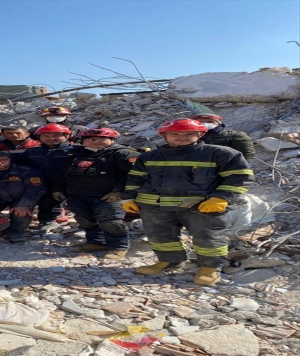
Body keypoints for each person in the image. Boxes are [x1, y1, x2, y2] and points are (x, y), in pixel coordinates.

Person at [122, 119, 254, 285]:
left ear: (200, 134)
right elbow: (135, 178)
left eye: (189, 134)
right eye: (174, 134)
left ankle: (209, 267)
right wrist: (129, 197)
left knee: (208, 237)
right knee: (159, 235)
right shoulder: (150, 156)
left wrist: (221, 197)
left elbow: (240, 177)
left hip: (201, 206)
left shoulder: (221, 153)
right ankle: (170, 261)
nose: (181, 137)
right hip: (155, 206)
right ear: (164, 135)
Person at [54, 128, 140, 259]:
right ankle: (96, 242)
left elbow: (132, 176)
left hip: (107, 196)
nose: (96, 142)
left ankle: (118, 247)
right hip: (77, 194)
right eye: (91, 139)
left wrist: (118, 192)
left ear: (112, 140)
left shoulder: (123, 154)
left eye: (102, 139)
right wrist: (57, 189)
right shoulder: (72, 154)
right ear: (82, 141)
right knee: (85, 220)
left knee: (111, 222)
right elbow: (61, 174)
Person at [0, 151, 46, 243]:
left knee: (21, 212)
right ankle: (0, 229)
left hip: (19, 199)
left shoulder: (26, 171)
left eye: (4, 160)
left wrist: (24, 204)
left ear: (10, 159)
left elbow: (35, 189)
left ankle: (17, 232)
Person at [16, 123, 73, 233]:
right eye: (46, 135)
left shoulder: (76, 151)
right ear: (39, 137)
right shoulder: (31, 152)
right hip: (42, 184)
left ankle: (87, 226)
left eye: (56, 135)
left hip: (70, 184)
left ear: (66, 136)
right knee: (46, 203)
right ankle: (47, 221)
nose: (51, 138)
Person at [190, 113, 256, 161]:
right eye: (200, 122)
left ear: (219, 123)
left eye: (210, 121)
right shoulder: (185, 137)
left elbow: (246, 156)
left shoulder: (235, 136)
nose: (204, 124)